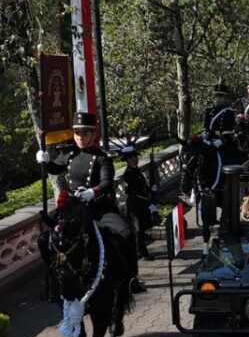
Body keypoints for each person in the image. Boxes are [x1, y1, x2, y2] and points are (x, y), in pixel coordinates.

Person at [37, 113, 136, 273]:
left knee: (128, 233)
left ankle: (131, 278)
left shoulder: (102, 158)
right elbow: (55, 169)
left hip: (99, 208)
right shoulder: (69, 154)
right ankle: (53, 280)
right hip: (74, 209)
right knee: (46, 239)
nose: (80, 137)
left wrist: (92, 192)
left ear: (93, 134)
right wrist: (46, 161)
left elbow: (106, 182)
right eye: (77, 133)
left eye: (85, 133)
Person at [118, 143, 159, 265]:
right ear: (128, 159)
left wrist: (151, 190)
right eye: (134, 157)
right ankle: (142, 253)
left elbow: (142, 186)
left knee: (141, 229)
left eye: (136, 156)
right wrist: (150, 194)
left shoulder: (135, 170)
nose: (136, 158)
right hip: (135, 204)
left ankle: (140, 251)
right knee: (138, 229)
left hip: (140, 203)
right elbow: (137, 189)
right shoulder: (129, 172)